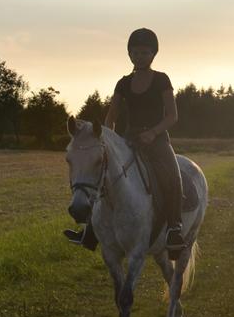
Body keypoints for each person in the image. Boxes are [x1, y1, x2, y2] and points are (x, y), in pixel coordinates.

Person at [65, 27, 185, 257]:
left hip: (158, 140)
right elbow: (111, 118)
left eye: (145, 52)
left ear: (153, 54)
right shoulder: (123, 83)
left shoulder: (162, 80)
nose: (140, 56)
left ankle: (174, 229)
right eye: (136, 52)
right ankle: (91, 230)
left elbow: (172, 116)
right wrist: (106, 141)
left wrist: (153, 133)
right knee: (103, 179)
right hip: (129, 139)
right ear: (129, 54)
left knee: (173, 176)